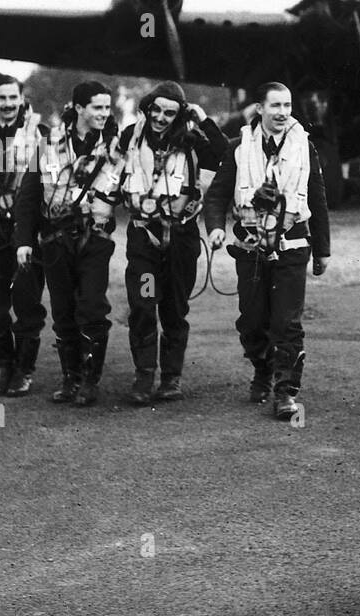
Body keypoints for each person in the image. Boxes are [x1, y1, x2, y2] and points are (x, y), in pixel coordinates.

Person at [205, 81, 331, 421]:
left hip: (292, 246)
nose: (283, 113)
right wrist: (216, 228)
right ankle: (263, 369)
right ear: (259, 108)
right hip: (251, 249)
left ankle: (286, 391)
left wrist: (322, 249)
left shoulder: (305, 146)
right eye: (275, 106)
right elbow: (216, 195)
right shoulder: (238, 146)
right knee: (252, 320)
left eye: (288, 106)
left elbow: (317, 197)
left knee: (287, 322)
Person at [117, 81, 228, 404]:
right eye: (156, 110)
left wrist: (204, 119)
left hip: (181, 239)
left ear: (180, 115)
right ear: (148, 107)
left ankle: (171, 378)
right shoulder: (130, 138)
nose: (161, 118)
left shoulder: (193, 141)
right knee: (143, 304)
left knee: (174, 309)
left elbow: (224, 156)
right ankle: (144, 376)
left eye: (170, 113)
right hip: (144, 239)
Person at [14, 80, 123, 406]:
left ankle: (90, 381)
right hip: (54, 239)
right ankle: (70, 379)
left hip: (96, 238)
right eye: (97, 107)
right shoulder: (47, 146)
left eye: (107, 107)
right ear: (78, 108)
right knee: (62, 311)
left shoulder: (118, 147)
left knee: (91, 306)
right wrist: (23, 240)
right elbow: (28, 195)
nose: (104, 113)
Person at [0, 73, 47, 396]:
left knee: (27, 301)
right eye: (1, 98)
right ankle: (4, 365)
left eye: (13, 98)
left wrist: (31, 232)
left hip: (26, 229)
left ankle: (24, 370)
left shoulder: (40, 134)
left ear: (22, 99)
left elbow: (47, 185)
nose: (7, 105)